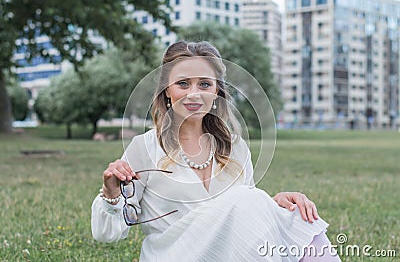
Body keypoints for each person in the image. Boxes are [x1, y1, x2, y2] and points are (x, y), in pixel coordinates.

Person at [91, 41, 341, 261]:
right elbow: (107, 234)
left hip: (227, 254)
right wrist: (111, 194)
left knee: (296, 215)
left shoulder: (235, 148)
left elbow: (243, 215)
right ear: (167, 90)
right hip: (174, 255)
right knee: (248, 199)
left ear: (216, 91)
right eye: (182, 84)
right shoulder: (144, 148)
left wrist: (275, 205)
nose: (194, 94)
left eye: (204, 84)